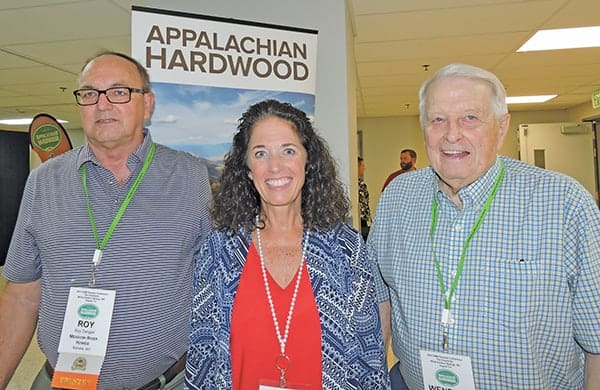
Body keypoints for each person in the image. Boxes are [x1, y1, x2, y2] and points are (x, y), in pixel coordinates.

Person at [369, 63, 600, 389]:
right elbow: (381, 300)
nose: (451, 134)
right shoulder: (397, 198)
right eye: (438, 119)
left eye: (470, 118)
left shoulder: (563, 204)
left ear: (502, 127)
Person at [0, 51, 212, 389]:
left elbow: (223, 287)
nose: (102, 104)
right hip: (62, 382)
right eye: (89, 94)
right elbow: (22, 294)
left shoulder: (194, 179)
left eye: (119, 92)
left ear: (148, 104)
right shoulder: (44, 181)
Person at [185, 99, 390, 389]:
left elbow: (369, 361)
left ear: (308, 161)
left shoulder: (345, 249)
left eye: (288, 151)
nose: (275, 166)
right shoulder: (219, 250)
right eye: (260, 153)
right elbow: (202, 355)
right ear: (247, 169)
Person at [358, 156, 372, 240]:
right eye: (362, 165)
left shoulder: (361, 184)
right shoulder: (358, 185)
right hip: (360, 220)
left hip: (364, 220)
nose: (364, 168)